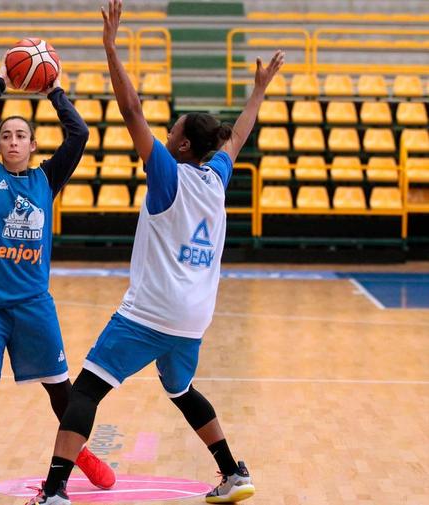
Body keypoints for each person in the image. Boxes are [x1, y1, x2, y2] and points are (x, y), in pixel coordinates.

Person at [26, 2, 285, 504]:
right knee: (181, 390)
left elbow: (131, 111)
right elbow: (238, 136)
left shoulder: (168, 175)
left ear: (184, 146)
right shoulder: (217, 176)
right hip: (194, 316)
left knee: (86, 391)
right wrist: (258, 91)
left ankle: (55, 490)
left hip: (151, 312)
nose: (165, 135)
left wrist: (110, 48)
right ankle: (233, 471)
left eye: (173, 132)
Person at [0, 57, 115, 503]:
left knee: (60, 388)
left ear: (32, 143)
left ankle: (78, 454)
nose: (11, 141)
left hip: (32, 303)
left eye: (20, 135)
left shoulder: (47, 178)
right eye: (5, 135)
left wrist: (53, 92)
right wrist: (1, 84)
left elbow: (80, 133)